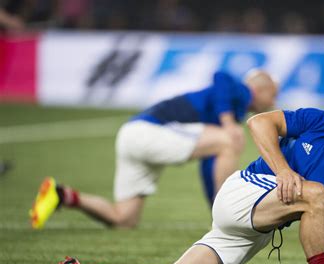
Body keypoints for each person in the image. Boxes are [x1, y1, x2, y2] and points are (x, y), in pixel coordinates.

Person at [30, 103, 324, 264]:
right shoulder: (320, 122)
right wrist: (283, 171)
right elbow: (259, 123)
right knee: (315, 194)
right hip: (242, 191)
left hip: (255, 229)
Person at [29, 69, 278, 229]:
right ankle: (234, 212)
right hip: (147, 132)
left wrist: (213, 207)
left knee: (124, 219)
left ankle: (62, 194)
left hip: (131, 137)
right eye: (273, 96)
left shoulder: (229, 112)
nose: (273, 103)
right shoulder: (241, 91)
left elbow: (209, 165)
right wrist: (227, 123)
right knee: (229, 139)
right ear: (262, 89)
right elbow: (220, 75)